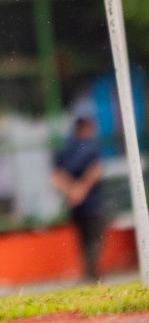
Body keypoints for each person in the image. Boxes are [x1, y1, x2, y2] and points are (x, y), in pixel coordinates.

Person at [53, 110, 107, 282]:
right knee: (95, 238)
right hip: (92, 203)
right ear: (84, 128)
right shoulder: (91, 147)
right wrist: (81, 190)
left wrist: (71, 191)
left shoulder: (64, 150)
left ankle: (89, 274)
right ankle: (92, 274)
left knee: (84, 240)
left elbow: (57, 176)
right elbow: (95, 170)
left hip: (75, 204)